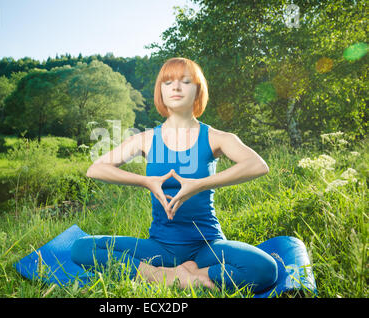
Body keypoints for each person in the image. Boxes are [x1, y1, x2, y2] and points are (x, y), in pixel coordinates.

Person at [71, 57, 278, 292]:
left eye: (185, 81)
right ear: (161, 91)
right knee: (81, 249)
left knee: (265, 268)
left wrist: (200, 184)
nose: (176, 87)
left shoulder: (217, 137)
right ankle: (165, 276)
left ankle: (187, 274)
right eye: (168, 82)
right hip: (160, 249)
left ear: (198, 90)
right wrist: (145, 181)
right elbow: (96, 168)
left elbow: (258, 165)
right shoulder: (146, 139)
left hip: (206, 247)